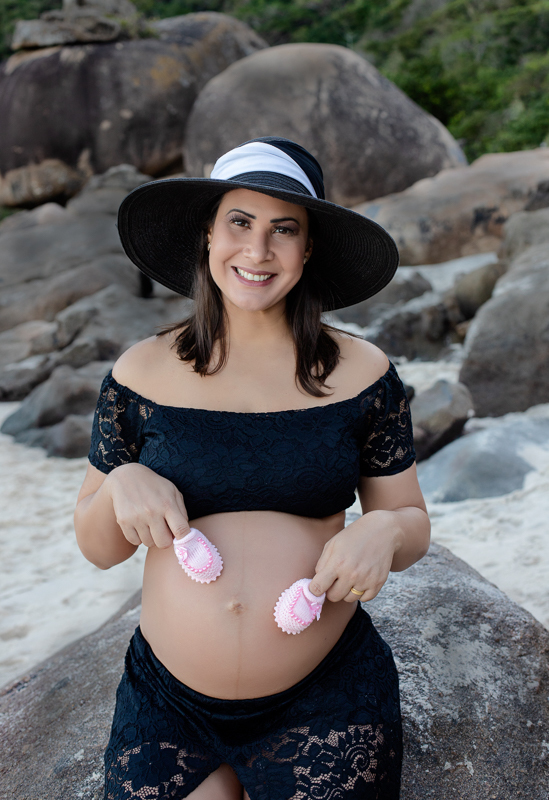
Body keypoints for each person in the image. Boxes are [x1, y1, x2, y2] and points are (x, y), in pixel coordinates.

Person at [74, 136, 430, 800]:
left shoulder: (364, 375)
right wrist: (122, 480)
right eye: (239, 222)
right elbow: (96, 549)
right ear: (208, 236)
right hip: (169, 707)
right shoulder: (138, 373)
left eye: (283, 230)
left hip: (325, 699)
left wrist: (380, 533)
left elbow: (407, 521)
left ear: (307, 249)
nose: (257, 251)